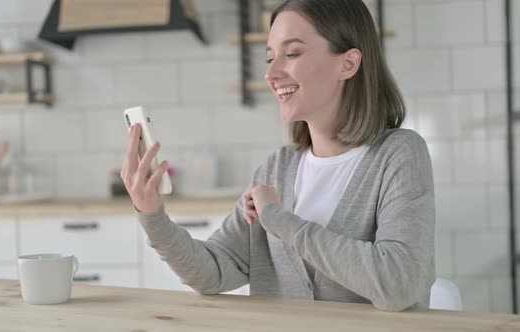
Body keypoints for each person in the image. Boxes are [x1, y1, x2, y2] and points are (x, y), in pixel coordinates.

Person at [121, 0, 435, 312]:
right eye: (270, 57)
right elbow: (213, 271)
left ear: (348, 64)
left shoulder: (399, 154)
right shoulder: (277, 168)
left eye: (292, 53)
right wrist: (152, 213)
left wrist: (278, 219)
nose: (271, 73)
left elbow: (398, 285)